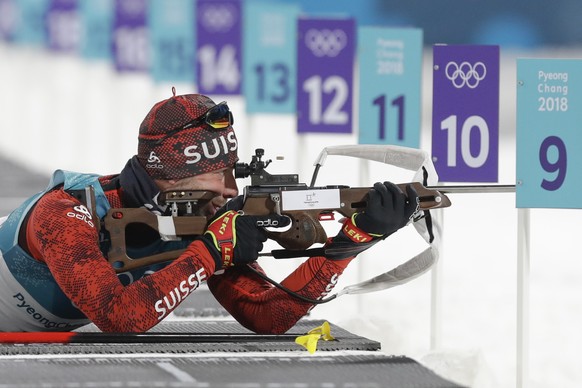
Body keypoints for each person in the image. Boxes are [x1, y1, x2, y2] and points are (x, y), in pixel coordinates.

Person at [0, 90, 419, 333]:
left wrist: (351, 242)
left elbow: (266, 314)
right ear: (175, 175)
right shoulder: (68, 211)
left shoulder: (200, 217)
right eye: (218, 176)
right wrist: (211, 253)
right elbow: (119, 317)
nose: (232, 190)